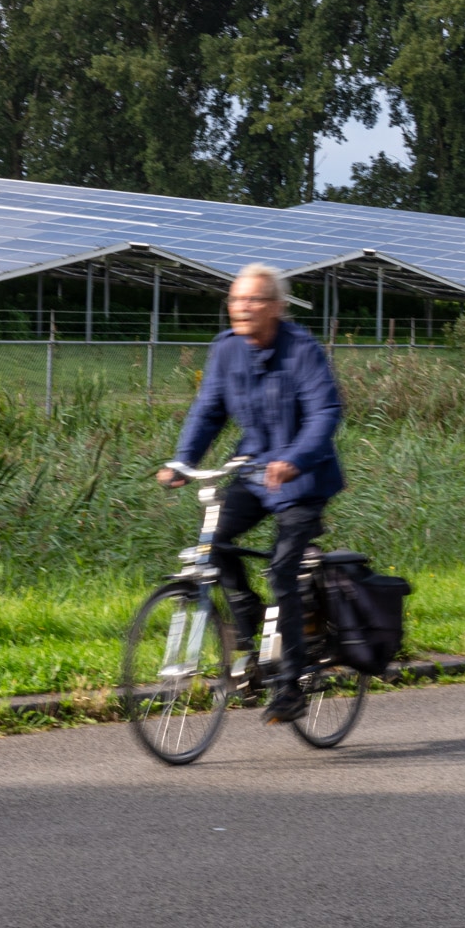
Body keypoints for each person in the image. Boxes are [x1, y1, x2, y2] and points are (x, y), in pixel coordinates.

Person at [157, 263, 344, 724]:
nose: (242, 308)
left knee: (283, 570)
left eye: (254, 300)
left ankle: (291, 685)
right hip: (254, 472)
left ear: (277, 308)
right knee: (213, 544)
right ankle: (249, 622)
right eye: (236, 300)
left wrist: (295, 458)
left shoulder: (301, 350)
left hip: (303, 479)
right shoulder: (226, 351)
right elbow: (209, 411)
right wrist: (182, 460)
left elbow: (326, 413)